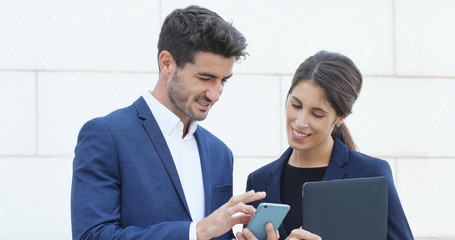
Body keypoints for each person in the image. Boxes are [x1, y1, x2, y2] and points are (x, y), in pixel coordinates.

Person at [71, 5, 266, 240]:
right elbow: (92, 235)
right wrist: (196, 231)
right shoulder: (106, 136)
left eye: (223, 80)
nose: (215, 94)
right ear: (167, 63)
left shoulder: (220, 153)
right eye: (205, 78)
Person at [239, 50, 414, 239]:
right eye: (296, 105)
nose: (300, 121)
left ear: (340, 117)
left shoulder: (370, 174)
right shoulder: (259, 180)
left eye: (317, 114)